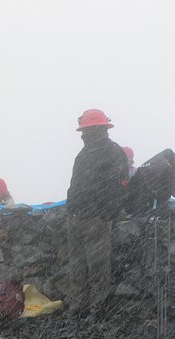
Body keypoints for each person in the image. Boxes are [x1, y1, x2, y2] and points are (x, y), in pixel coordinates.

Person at [66, 109, 129, 320]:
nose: (83, 135)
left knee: (95, 267)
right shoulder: (95, 153)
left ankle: (92, 310)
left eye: (85, 131)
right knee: (83, 266)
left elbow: (119, 188)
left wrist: (103, 213)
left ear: (95, 130)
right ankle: (83, 308)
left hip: (91, 217)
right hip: (81, 216)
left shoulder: (106, 153)